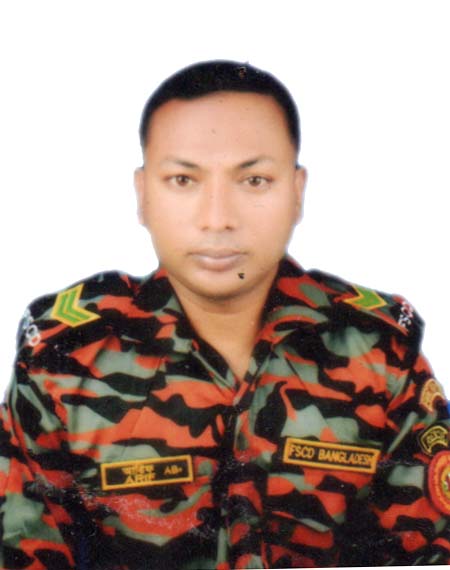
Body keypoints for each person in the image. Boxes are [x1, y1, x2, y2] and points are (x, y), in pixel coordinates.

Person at [1, 60, 449, 570]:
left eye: (254, 180)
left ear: (297, 193)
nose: (217, 219)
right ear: (143, 195)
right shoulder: (65, 361)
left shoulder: (379, 354)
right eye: (183, 180)